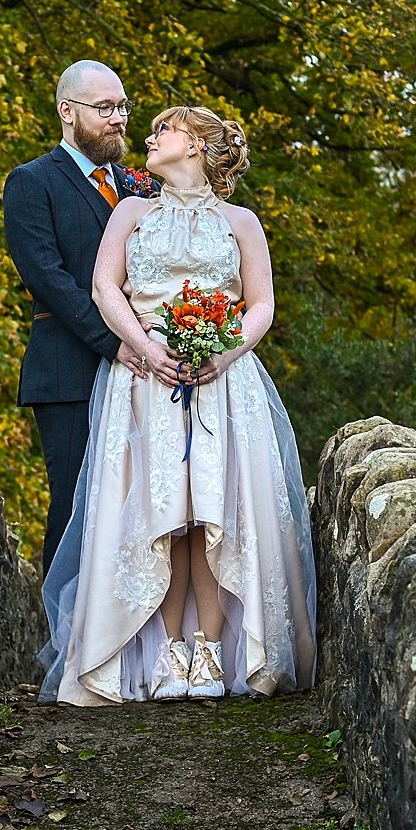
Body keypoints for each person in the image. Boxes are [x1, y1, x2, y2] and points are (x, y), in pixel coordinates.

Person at [38, 105, 317, 705]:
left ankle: (211, 656)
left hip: (223, 381)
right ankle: (165, 656)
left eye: (163, 129)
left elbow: (262, 304)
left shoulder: (242, 222)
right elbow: (103, 287)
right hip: (144, 380)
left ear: (194, 145)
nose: (149, 136)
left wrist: (226, 349)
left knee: (211, 513)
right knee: (162, 514)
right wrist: (141, 348)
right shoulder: (131, 213)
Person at [4, 60, 182, 574]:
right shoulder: (32, 182)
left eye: (123, 107)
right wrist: (117, 342)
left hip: (146, 373)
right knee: (77, 505)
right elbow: (48, 278)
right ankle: (67, 642)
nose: (119, 118)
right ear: (67, 110)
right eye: (104, 108)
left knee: (143, 505)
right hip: (68, 373)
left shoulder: (140, 187)